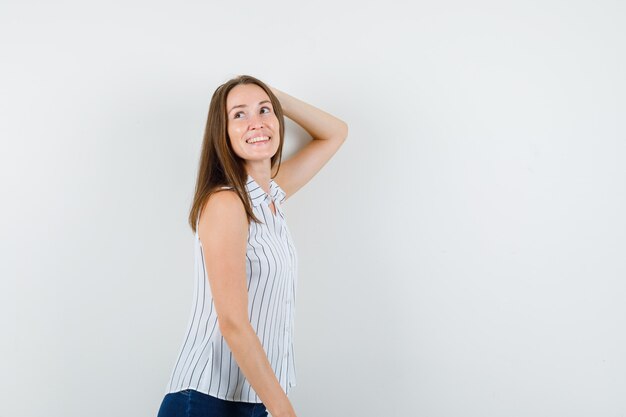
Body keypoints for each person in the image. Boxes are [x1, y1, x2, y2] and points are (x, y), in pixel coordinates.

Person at [156, 75, 348, 417]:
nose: (256, 123)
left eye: (264, 111)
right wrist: (284, 412)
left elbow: (335, 132)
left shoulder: (269, 195)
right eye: (239, 115)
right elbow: (232, 322)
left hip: (252, 400)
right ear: (223, 133)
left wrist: (275, 97)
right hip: (206, 401)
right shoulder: (226, 203)